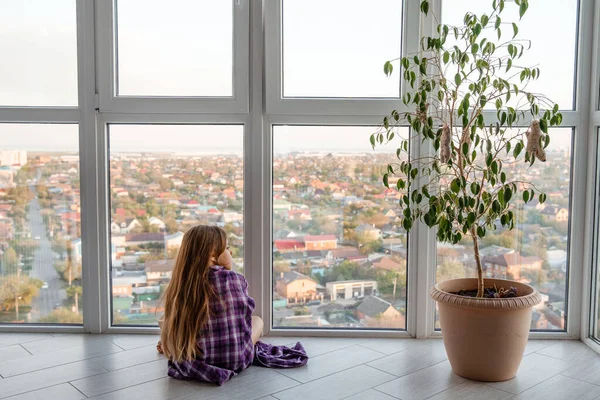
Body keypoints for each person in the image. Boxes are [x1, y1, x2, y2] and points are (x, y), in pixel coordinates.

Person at [158, 225, 307, 385]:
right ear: (213, 256)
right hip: (237, 359)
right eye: (227, 248)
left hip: (197, 358)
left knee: (170, 322)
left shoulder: (180, 286)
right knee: (257, 320)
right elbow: (243, 322)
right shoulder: (236, 279)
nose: (231, 252)